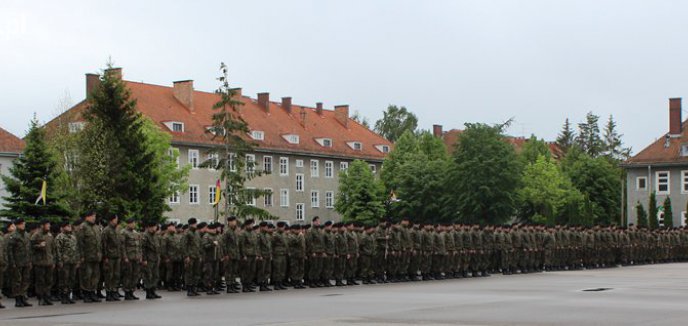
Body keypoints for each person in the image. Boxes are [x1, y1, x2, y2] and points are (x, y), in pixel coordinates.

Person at [8, 218, 32, 307]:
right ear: (17, 225)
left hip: (26, 261)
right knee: (17, 280)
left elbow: (29, 249)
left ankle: (23, 297)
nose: (23, 225)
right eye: (21, 224)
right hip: (17, 262)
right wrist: (12, 262)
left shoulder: (26, 235)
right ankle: (17, 299)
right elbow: (10, 250)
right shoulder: (14, 235)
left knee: (25, 280)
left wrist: (30, 261)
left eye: (24, 224)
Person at [102, 215, 122, 301]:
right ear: (111, 220)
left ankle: (114, 291)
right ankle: (108, 293)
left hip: (117, 256)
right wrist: (105, 256)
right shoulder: (106, 230)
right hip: (109, 256)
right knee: (109, 275)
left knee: (116, 275)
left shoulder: (116, 230)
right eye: (115, 220)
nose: (116, 221)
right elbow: (104, 244)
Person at [121, 219, 142, 300]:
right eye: (132, 223)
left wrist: (140, 256)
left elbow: (139, 246)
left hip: (136, 258)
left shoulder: (136, 233)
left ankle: (131, 291)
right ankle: (127, 292)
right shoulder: (124, 232)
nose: (133, 225)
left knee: (135, 275)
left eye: (134, 223)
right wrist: (125, 257)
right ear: (128, 224)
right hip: (128, 258)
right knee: (128, 275)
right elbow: (122, 246)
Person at [182, 218, 202, 296]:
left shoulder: (197, 233)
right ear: (190, 224)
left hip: (196, 255)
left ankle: (194, 289)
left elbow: (199, 245)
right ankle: (189, 290)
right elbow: (183, 245)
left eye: (196, 223)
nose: (195, 225)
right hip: (190, 256)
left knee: (196, 273)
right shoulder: (187, 233)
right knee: (189, 273)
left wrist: (200, 255)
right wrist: (186, 256)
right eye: (194, 224)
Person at [142, 222, 162, 299]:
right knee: (148, 276)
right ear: (149, 227)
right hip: (149, 259)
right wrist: (144, 259)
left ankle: (153, 291)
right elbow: (143, 248)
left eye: (155, 227)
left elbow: (158, 247)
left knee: (155, 275)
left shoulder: (155, 235)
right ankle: (148, 292)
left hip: (155, 258)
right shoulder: (145, 236)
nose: (155, 228)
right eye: (153, 227)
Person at [222, 216, 240, 293]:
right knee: (229, 271)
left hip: (235, 254)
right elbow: (223, 244)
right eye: (233, 222)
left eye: (235, 221)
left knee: (234, 271)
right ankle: (229, 287)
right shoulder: (227, 232)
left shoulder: (234, 232)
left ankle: (232, 285)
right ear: (229, 222)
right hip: (229, 255)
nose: (235, 223)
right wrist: (226, 254)